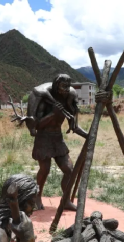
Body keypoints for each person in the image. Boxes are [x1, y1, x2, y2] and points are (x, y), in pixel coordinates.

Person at [22, 74, 88, 211]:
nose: (65, 90)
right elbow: (36, 126)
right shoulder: (42, 96)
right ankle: (37, 197)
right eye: (63, 86)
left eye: (67, 86)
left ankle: (66, 201)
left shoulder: (68, 97)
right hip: (43, 138)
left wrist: (88, 135)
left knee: (69, 170)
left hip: (58, 138)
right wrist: (53, 114)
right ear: (56, 85)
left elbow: (74, 126)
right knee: (45, 169)